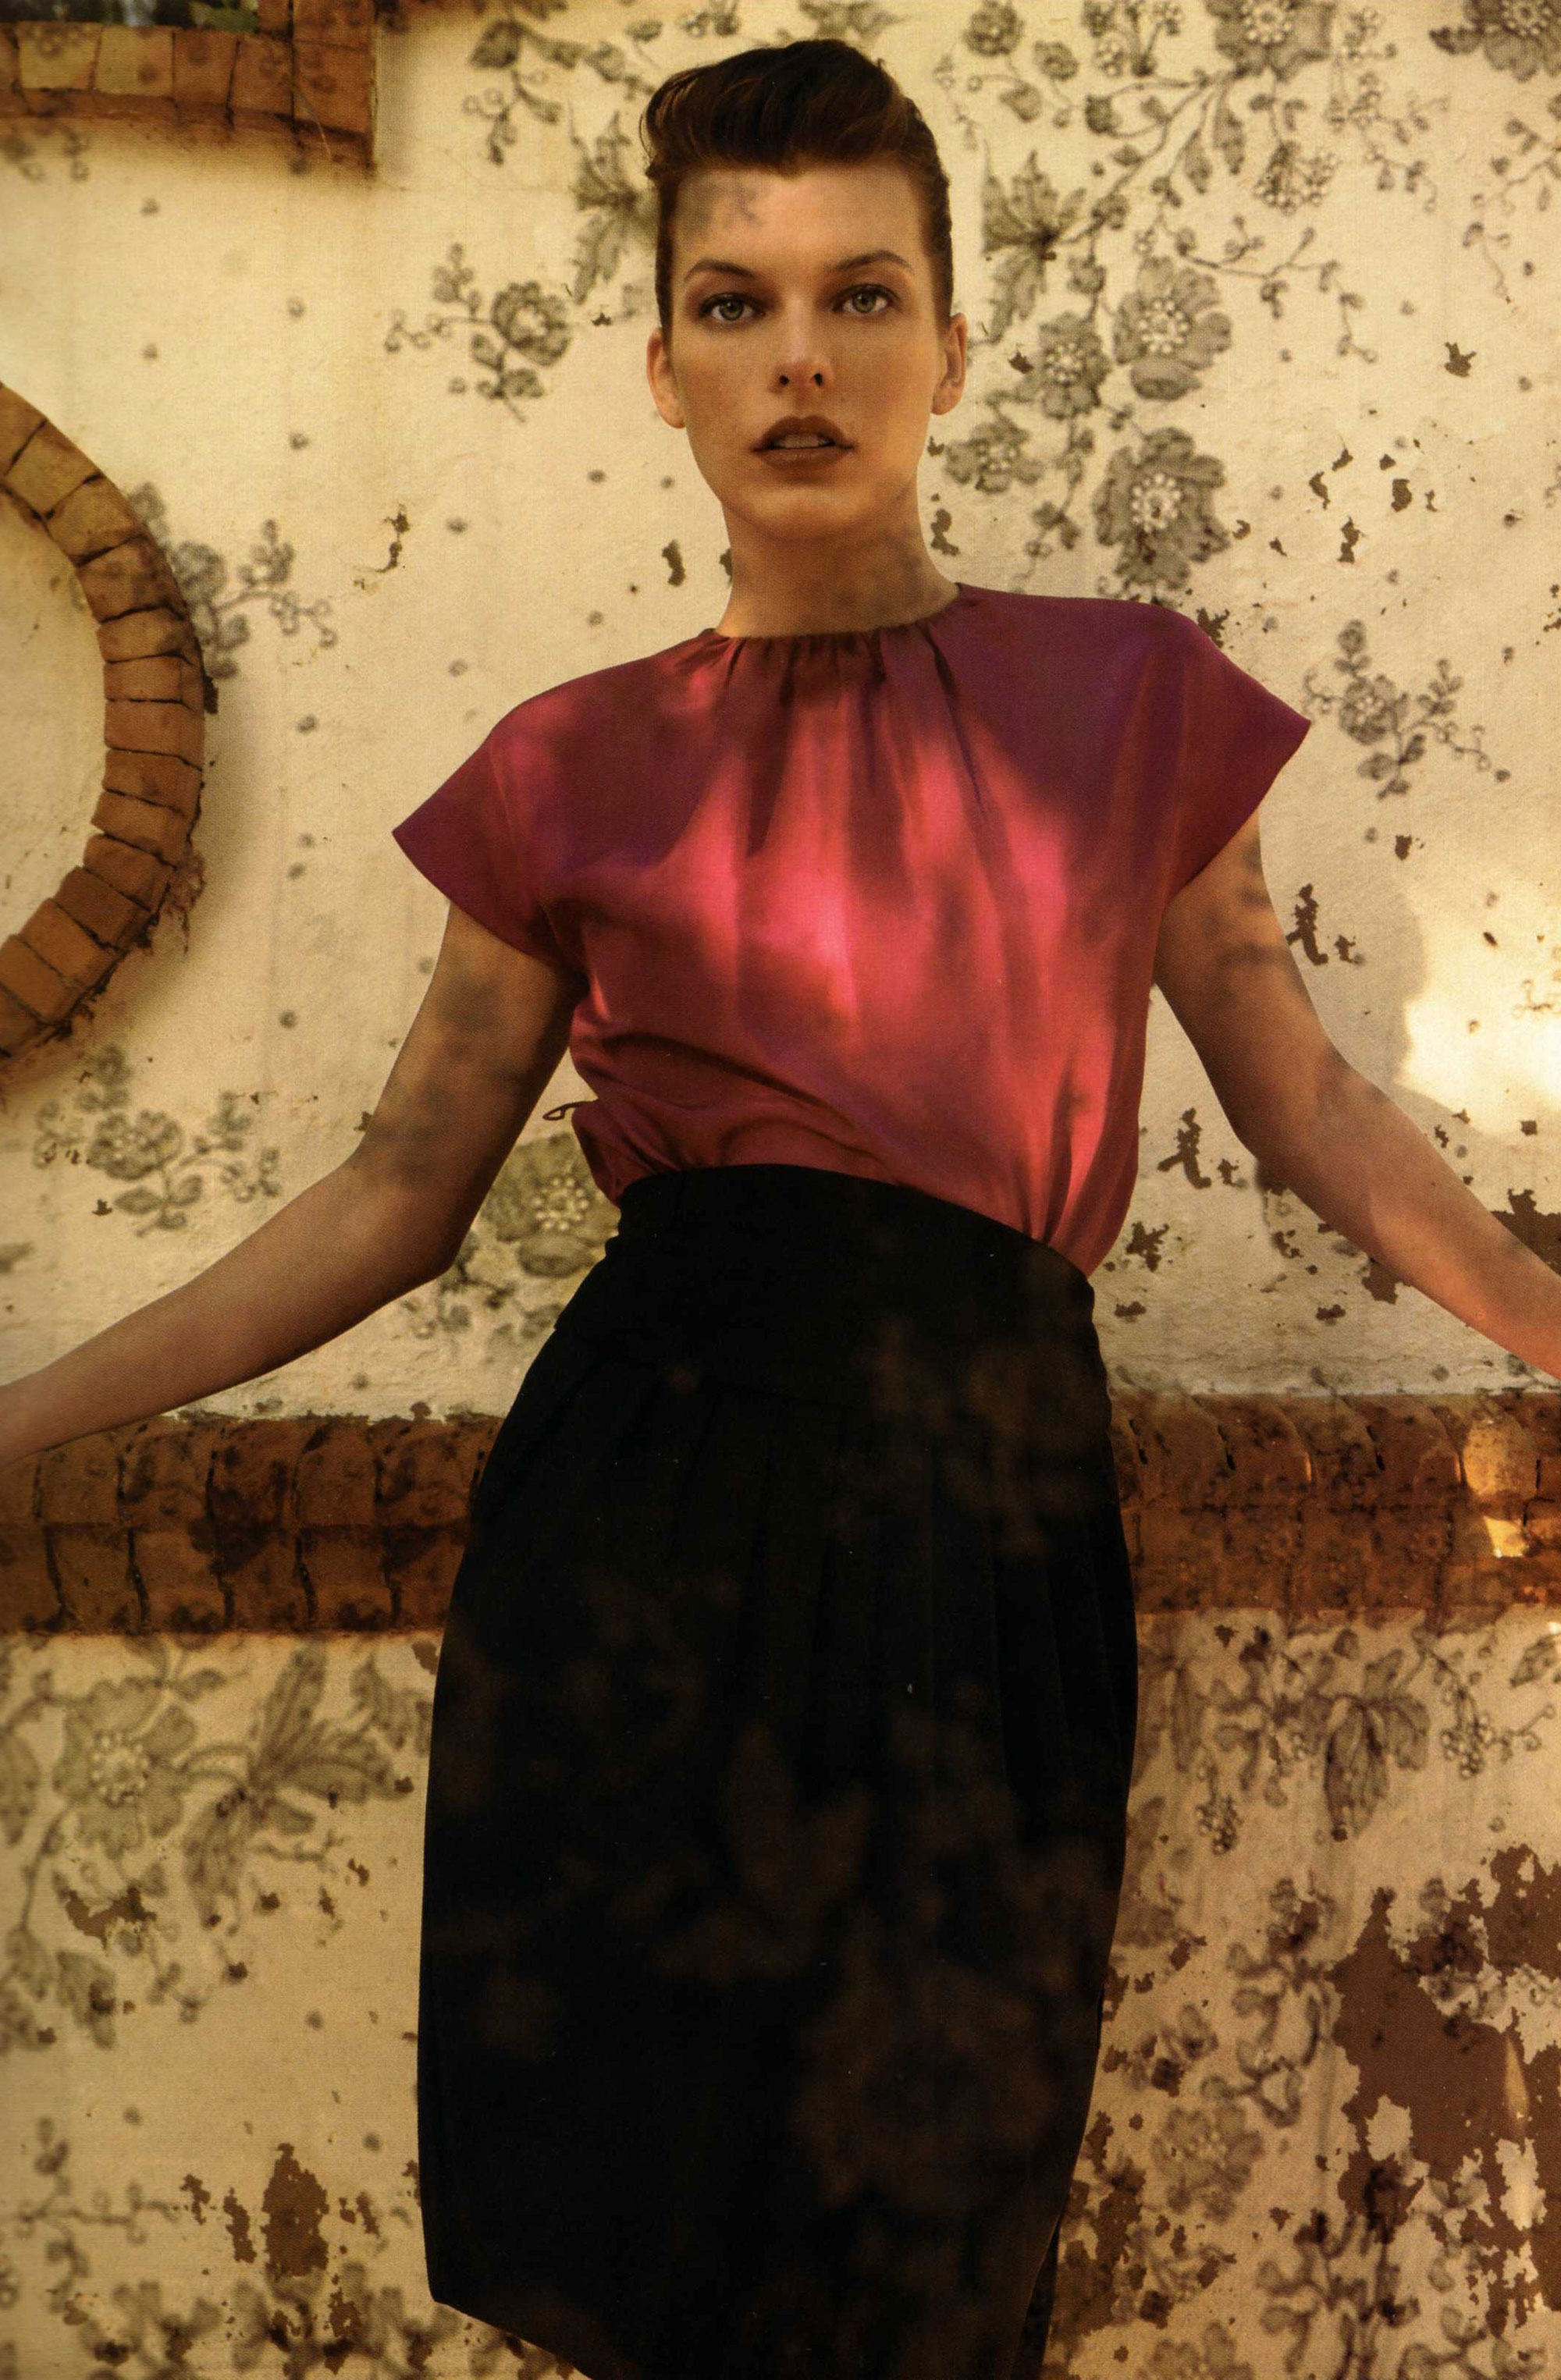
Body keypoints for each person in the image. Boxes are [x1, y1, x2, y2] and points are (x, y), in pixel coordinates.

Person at [4, 34, 1559, 2380]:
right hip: (646, 1531)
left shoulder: (1131, 702)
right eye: (735, 303)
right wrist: (23, 1417)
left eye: (860, 296)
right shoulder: (568, 767)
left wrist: (1549, 1326)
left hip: (982, 1528)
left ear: (952, 345)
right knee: (663, 2261)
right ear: (665, 366)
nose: (800, 358)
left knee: (931, 2263)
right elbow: (399, 1192)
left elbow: (1313, 1102)